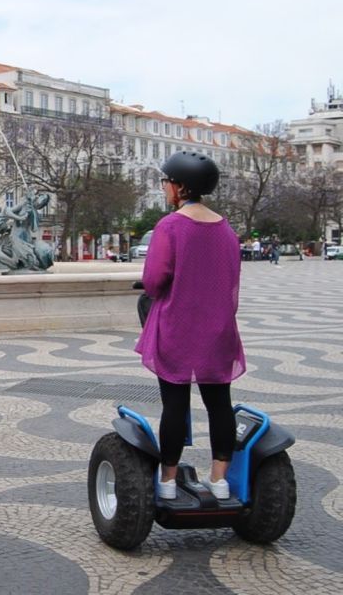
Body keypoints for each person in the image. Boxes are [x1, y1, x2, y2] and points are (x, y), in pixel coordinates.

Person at [135, 151, 244, 501]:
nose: (165, 187)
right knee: (220, 405)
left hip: (178, 327)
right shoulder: (226, 229)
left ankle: (167, 482)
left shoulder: (169, 226)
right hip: (218, 328)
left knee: (175, 405)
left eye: (167, 181)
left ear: (181, 187)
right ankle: (220, 479)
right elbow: (231, 282)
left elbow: (154, 281)